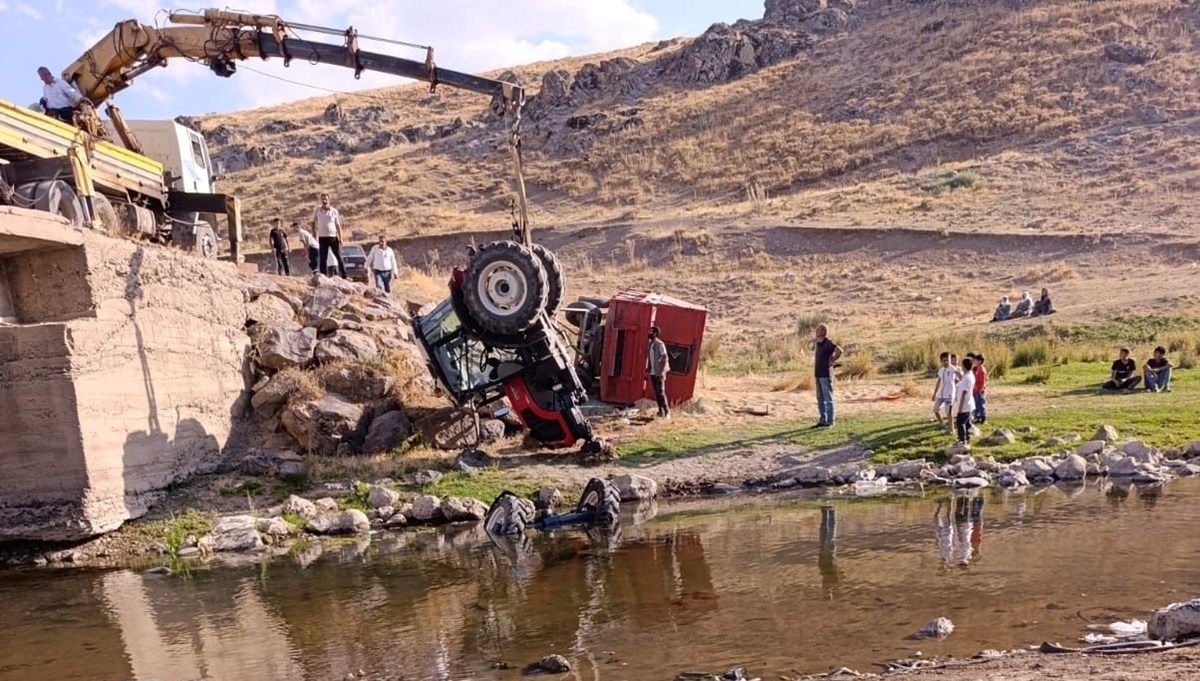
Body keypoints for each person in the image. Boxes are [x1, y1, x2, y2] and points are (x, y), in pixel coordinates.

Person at [812, 324, 843, 427]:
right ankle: (823, 420)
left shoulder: (828, 342)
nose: (816, 331)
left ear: (823, 331)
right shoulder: (818, 343)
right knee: (820, 398)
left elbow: (840, 350)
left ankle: (830, 421)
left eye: (818, 329)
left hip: (826, 374)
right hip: (818, 373)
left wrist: (832, 360)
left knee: (828, 398)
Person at [312, 193, 346, 278]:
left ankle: (344, 275)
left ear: (329, 200)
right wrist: (314, 232)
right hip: (322, 237)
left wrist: (341, 238)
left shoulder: (334, 211)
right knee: (323, 258)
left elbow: (338, 225)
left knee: (339, 257)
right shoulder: (317, 210)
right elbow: (313, 222)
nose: (324, 201)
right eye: (323, 199)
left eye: (326, 199)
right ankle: (324, 276)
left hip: (333, 237)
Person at [647, 326, 670, 418]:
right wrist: (649, 368)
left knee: (661, 392)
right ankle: (660, 411)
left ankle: (667, 411)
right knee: (656, 392)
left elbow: (664, 357)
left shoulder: (660, 344)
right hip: (653, 372)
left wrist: (662, 372)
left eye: (651, 332)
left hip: (659, 372)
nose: (649, 333)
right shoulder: (650, 344)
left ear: (655, 333)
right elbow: (651, 358)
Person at [931, 352, 957, 431]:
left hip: (949, 393)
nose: (946, 362)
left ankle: (951, 429)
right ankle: (941, 424)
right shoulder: (941, 370)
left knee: (948, 411)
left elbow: (959, 375)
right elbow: (938, 382)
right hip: (941, 393)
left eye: (947, 360)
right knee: (935, 409)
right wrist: (934, 394)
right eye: (944, 361)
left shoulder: (953, 369)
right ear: (941, 361)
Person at [954, 356, 976, 446]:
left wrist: (960, 407)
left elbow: (964, 393)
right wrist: (960, 376)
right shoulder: (969, 375)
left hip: (965, 405)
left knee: (960, 423)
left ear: (964, 366)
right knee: (966, 423)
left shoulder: (967, 378)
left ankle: (962, 440)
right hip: (968, 404)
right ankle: (967, 438)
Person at [970, 353, 988, 423]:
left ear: (979, 361)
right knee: (976, 403)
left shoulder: (982, 370)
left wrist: (981, 389)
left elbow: (983, 381)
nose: (974, 362)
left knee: (981, 403)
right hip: (975, 389)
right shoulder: (976, 369)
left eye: (976, 360)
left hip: (980, 390)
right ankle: (977, 416)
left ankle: (983, 416)